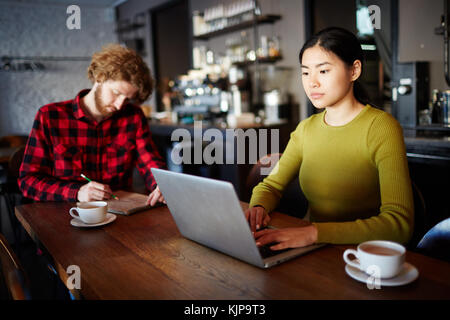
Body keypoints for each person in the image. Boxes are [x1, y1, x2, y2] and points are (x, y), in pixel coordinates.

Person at [245, 27, 414, 250]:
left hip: (361, 255)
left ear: (354, 70)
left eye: (323, 71)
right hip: (309, 250)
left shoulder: (381, 127)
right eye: (305, 72)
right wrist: (258, 206)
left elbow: (399, 224)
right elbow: (271, 186)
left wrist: (314, 233)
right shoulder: (306, 129)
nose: (312, 82)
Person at [18, 44, 166, 206]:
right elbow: (28, 181)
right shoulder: (50, 116)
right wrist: (78, 192)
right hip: (65, 214)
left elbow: (149, 162)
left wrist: (161, 185)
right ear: (99, 78)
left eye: (127, 99)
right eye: (116, 93)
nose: (119, 105)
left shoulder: (133, 116)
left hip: (120, 214)